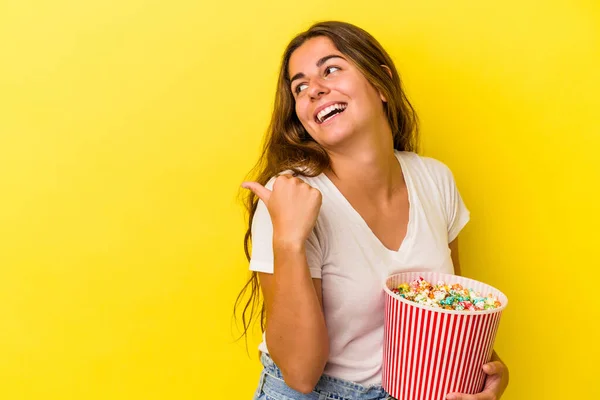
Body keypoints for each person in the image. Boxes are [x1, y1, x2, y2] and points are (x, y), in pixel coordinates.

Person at [234, 21, 509, 400]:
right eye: (300, 87)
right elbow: (299, 373)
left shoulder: (435, 180)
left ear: (381, 83)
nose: (314, 89)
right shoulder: (289, 196)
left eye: (330, 69)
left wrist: (487, 376)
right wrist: (289, 240)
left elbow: (451, 315)